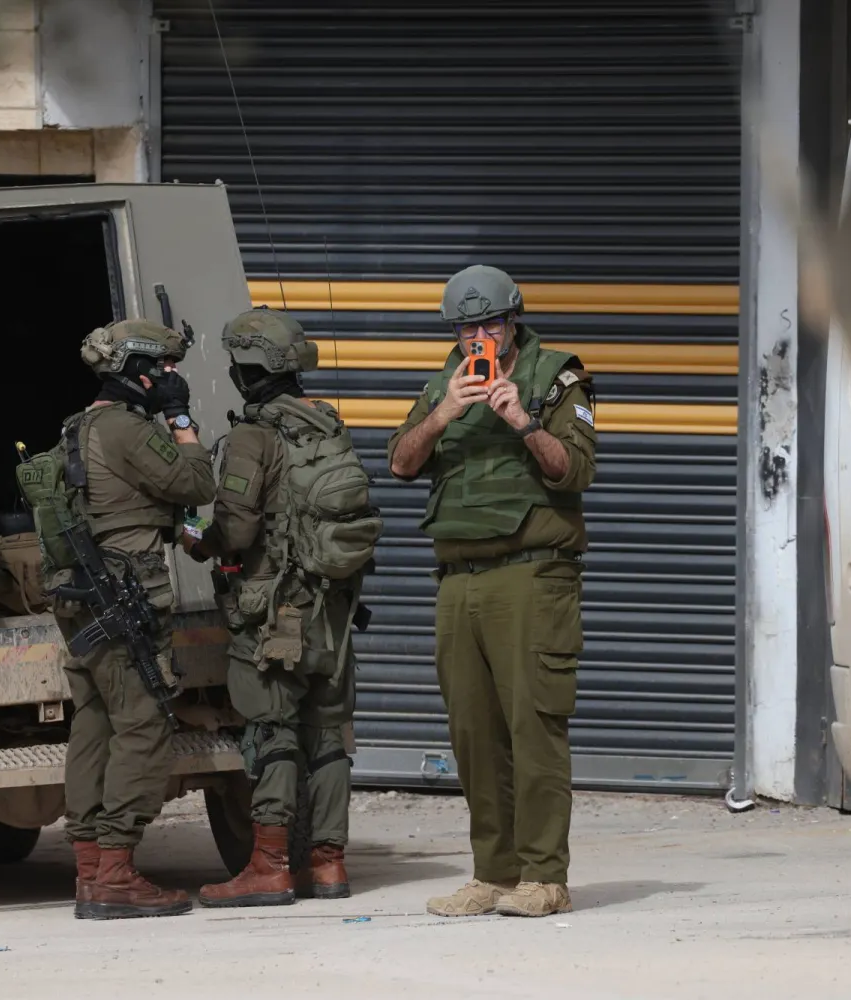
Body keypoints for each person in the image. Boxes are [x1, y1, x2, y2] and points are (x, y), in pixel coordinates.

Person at [387, 264, 597, 918]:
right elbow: (400, 462)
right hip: (457, 578)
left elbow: (575, 471)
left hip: (530, 575)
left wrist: (522, 420)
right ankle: (493, 873)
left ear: (514, 320)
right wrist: (446, 410)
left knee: (533, 724)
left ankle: (544, 876)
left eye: (489, 324)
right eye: (466, 326)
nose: (478, 336)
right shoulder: (442, 384)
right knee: (473, 733)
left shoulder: (558, 376)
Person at [184, 307, 379, 908]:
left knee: (273, 734)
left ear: (246, 370)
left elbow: (236, 533)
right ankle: (328, 865)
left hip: (273, 616)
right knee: (327, 737)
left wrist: (199, 541)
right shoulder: (325, 425)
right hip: (332, 612)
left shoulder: (252, 436)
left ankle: (270, 866)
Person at [56, 319, 216, 920]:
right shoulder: (125, 428)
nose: (166, 382)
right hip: (124, 597)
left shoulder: (77, 428)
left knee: (94, 724)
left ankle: (92, 869)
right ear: (138, 374)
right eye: (161, 374)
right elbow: (195, 481)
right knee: (145, 724)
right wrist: (179, 419)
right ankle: (117, 870)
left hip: (85, 598)